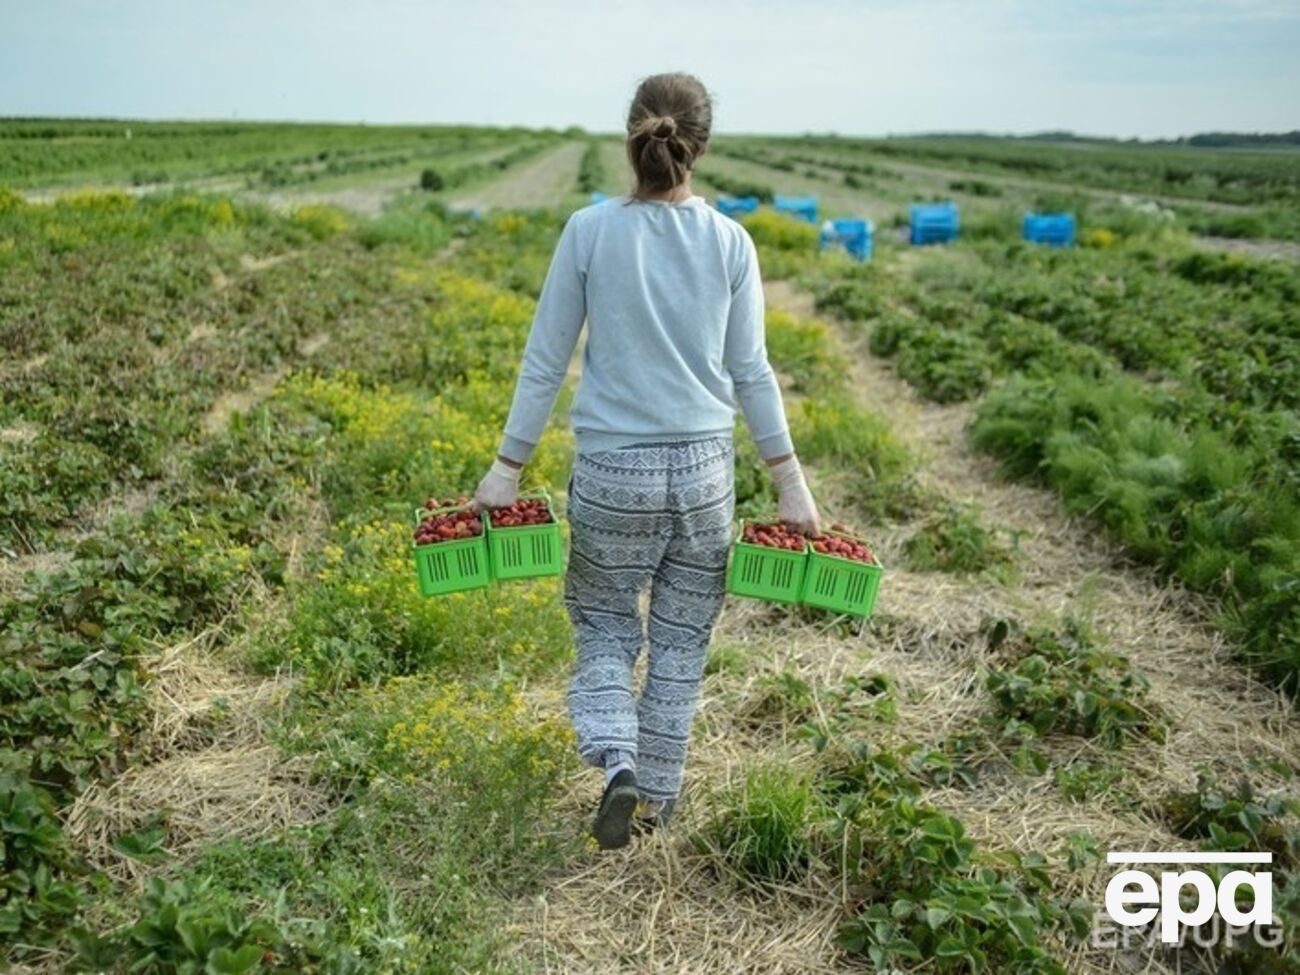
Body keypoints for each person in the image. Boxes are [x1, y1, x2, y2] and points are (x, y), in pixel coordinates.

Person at [473, 72, 819, 850]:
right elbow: (752, 371)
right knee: (681, 642)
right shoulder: (731, 241)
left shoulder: (589, 231)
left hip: (613, 473)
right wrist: (790, 485)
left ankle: (617, 759)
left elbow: (544, 359)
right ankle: (656, 799)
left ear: (631, 137)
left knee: (601, 623)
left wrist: (507, 467)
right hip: (703, 476)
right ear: (699, 145)